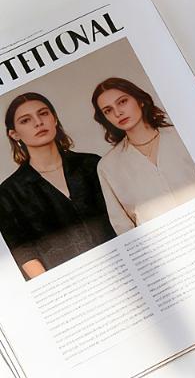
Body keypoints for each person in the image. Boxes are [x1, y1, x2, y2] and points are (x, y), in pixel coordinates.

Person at [0, 92, 115, 280]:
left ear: (54, 119)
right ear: (14, 134)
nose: (38, 122)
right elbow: (23, 252)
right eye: (26, 120)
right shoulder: (8, 193)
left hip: (120, 267)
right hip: (69, 285)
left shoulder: (92, 164)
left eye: (43, 113)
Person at [91, 78, 195, 234]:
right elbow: (123, 226)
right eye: (108, 110)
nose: (118, 113)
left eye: (122, 102)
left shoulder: (183, 136)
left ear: (139, 100)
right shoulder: (108, 166)